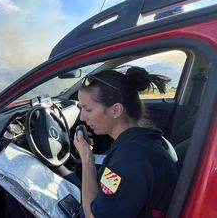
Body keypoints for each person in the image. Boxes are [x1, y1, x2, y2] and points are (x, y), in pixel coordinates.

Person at [73, 66, 179, 218]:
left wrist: (86, 158)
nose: (82, 117)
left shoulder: (130, 159)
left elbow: (92, 216)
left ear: (116, 110)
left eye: (87, 109)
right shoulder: (148, 141)